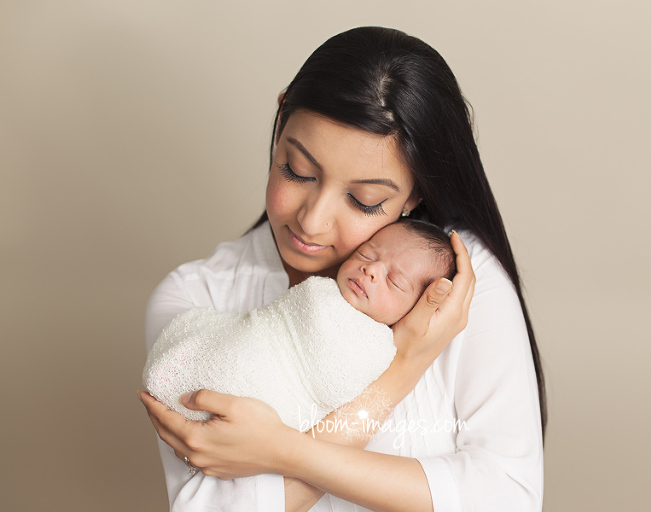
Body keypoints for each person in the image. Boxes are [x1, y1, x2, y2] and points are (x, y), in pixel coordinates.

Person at [139, 26, 545, 512]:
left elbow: (508, 497)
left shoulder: (455, 283)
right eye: (297, 171)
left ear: (415, 193)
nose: (312, 220)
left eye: (363, 199)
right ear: (279, 120)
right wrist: (405, 366)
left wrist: (280, 450)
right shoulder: (196, 299)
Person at [143, 220, 456, 432]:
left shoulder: (379, 350)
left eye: (394, 280)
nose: (370, 269)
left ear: (419, 307)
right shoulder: (322, 289)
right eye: (366, 253)